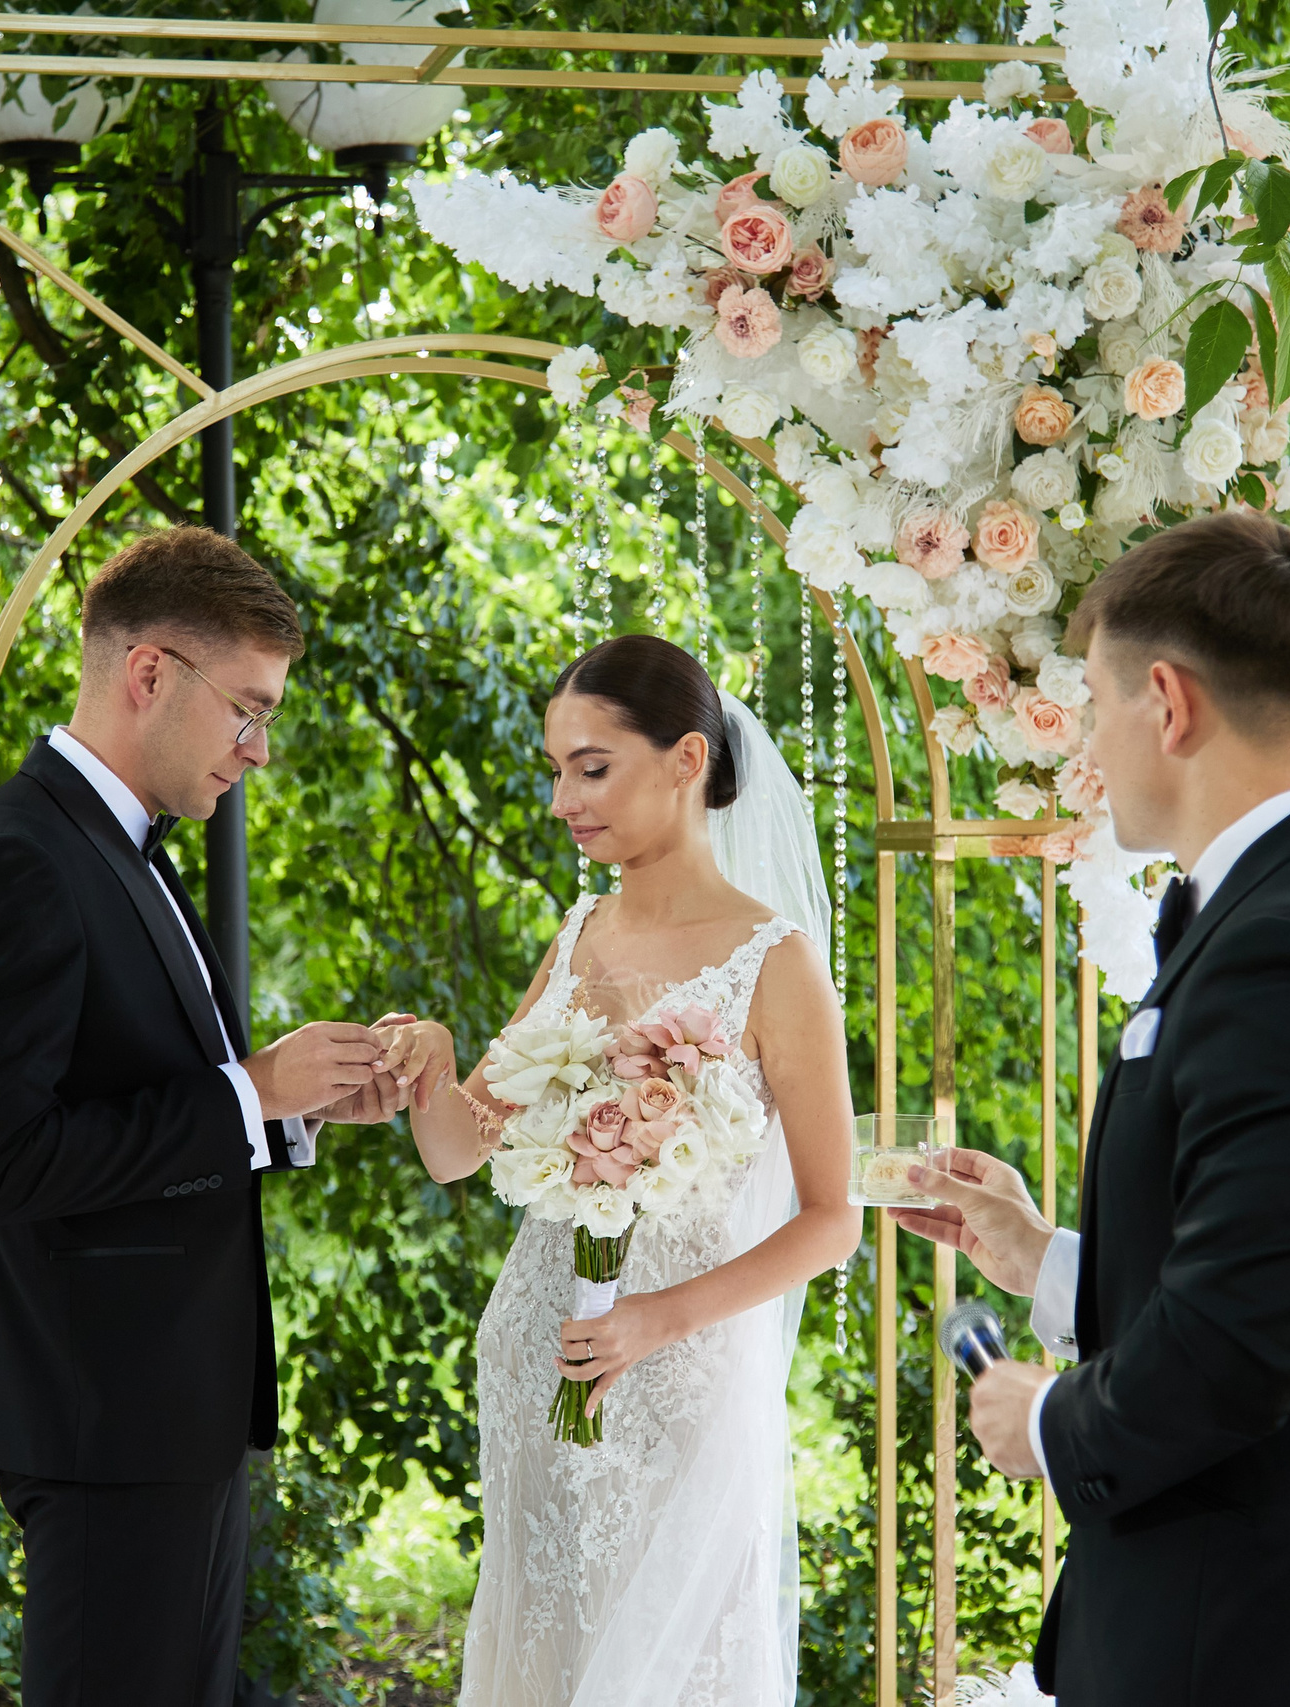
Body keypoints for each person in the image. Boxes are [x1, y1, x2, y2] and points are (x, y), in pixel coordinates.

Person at [892, 509, 1290, 1705]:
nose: (1086, 744)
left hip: (1258, 1643)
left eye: (1093, 704)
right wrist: (1045, 1263)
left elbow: (1250, 1336)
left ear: (1166, 704)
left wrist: (1056, 1427)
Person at [0, 527, 412, 1707]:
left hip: (163, 1410)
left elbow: (142, 1096)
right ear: (149, 675)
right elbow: (4, 1162)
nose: (260, 750)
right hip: (98, 1416)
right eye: (247, 707)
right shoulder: (20, 858)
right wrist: (252, 1092)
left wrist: (300, 1107)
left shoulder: (126, 846)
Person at [378, 635, 859, 1707]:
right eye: (555, 770)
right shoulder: (579, 932)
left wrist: (656, 1319)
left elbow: (833, 1221)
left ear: (687, 761)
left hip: (678, 1389)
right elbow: (459, 1152)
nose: (562, 801)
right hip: (538, 1365)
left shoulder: (774, 964)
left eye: (590, 768)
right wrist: (435, 1063)